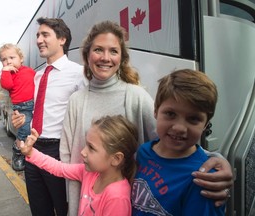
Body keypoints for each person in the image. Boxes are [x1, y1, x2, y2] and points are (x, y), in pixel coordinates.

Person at [58, 21, 233, 216]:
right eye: (98, 49)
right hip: (87, 203)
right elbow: (68, 157)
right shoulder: (76, 100)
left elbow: (172, 139)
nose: (106, 58)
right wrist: (74, 207)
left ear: (122, 58)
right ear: (87, 54)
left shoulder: (136, 96)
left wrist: (215, 159)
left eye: (114, 51)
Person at [12, 17, 86, 216]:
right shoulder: (37, 75)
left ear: (62, 39)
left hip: (59, 152)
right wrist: (20, 121)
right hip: (32, 149)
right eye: (38, 35)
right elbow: (36, 110)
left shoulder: (79, 73)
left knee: (64, 209)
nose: (38, 40)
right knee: (39, 210)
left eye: (45, 35)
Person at [132, 69, 226, 215]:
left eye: (193, 119)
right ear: (155, 111)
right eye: (170, 114)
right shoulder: (144, 152)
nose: (179, 128)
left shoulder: (204, 180)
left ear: (206, 125)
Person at [20, 115, 138, 216]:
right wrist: (31, 153)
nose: (83, 152)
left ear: (116, 158)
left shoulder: (117, 197)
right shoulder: (89, 173)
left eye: (91, 148)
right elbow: (59, 168)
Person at [0, 43, 35, 171]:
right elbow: (7, 85)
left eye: (12, 57)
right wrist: (5, 71)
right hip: (21, 107)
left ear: (21, 59)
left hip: (35, 104)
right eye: (4, 59)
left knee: (34, 131)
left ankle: (28, 152)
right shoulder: (7, 75)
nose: (8, 61)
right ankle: (18, 151)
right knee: (24, 130)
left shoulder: (29, 71)